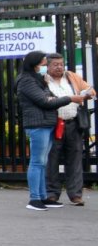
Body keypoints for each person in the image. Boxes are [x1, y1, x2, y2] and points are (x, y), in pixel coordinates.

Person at [15, 50, 89, 211]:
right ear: (35, 64)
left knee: (42, 163)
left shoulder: (36, 79)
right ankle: (34, 199)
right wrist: (70, 98)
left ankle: (43, 197)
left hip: (47, 123)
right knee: (37, 162)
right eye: (43, 63)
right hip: (37, 124)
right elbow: (44, 101)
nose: (44, 66)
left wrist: (52, 99)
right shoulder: (26, 80)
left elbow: (50, 97)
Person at [43, 52, 93, 206]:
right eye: (55, 65)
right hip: (54, 125)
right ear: (48, 66)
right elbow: (42, 100)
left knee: (75, 160)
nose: (59, 67)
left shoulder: (71, 77)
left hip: (73, 124)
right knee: (52, 160)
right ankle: (52, 194)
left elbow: (90, 89)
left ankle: (76, 195)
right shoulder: (42, 81)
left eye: (61, 64)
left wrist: (88, 93)